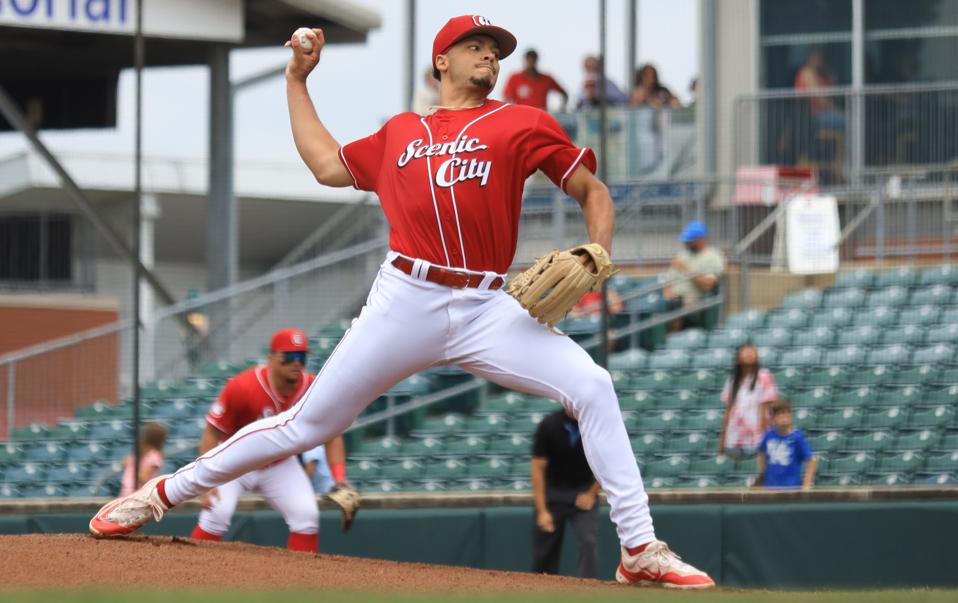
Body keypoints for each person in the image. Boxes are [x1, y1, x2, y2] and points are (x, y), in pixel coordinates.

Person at [90, 15, 714, 589]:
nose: (490, 58)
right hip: (405, 297)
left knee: (594, 385)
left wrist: (595, 252)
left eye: (496, 51)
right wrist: (296, 82)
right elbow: (328, 167)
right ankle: (162, 493)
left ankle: (639, 548)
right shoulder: (400, 132)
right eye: (476, 47)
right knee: (308, 424)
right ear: (441, 59)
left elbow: (591, 190)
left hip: (487, 307)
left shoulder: (521, 124)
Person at [186, 328, 348, 553]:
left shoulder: (312, 389)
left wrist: (339, 478)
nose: (296, 363)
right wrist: (206, 481)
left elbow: (333, 435)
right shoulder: (243, 386)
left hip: (279, 463)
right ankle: (192, 571)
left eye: (301, 357)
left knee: (306, 515)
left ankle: (299, 581)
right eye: (289, 357)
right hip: (236, 462)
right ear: (271, 358)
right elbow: (212, 432)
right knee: (216, 512)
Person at [531, 409, 601, 578]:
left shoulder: (595, 424)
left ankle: (589, 591)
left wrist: (591, 494)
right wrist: (542, 511)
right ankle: (540, 592)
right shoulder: (549, 425)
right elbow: (538, 468)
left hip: (583, 492)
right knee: (544, 551)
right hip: (554, 492)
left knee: (588, 542)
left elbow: (608, 462)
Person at [662, 220, 726, 331]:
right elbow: (668, 282)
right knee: (657, 306)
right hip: (674, 298)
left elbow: (708, 285)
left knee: (676, 306)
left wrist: (687, 270)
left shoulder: (713, 256)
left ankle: (672, 342)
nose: (686, 243)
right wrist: (666, 296)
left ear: (701, 239)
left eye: (690, 240)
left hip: (696, 300)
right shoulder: (682, 255)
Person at [719, 344, 777, 459]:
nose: (749, 353)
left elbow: (766, 408)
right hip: (733, 440)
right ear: (738, 357)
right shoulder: (732, 380)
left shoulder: (764, 376)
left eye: (752, 351)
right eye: (745, 351)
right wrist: (722, 440)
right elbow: (728, 411)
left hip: (756, 440)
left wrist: (765, 438)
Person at [755, 399, 817, 490]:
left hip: (791, 491)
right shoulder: (768, 436)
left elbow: (812, 460)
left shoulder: (797, 438)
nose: (785, 416)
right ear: (773, 418)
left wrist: (806, 485)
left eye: (788, 412)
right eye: (780, 413)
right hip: (769, 489)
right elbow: (762, 452)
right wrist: (761, 475)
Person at [794, 48, 845, 131]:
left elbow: (833, 94)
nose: (819, 61)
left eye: (820, 59)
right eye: (816, 58)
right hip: (815, 115)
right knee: (849, 120)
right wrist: (837, 111)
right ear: (810, 59)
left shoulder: (821, 74)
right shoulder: (807, 73)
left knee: (850, 118)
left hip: (825, 112)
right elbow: (821, 99)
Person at [503, 49, 568, 112]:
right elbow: (507, 98)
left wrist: (562, 109)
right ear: (525, 60)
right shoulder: (514, 78)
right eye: (529, 60)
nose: (531, 63)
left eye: (533, 60)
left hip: (540, 116)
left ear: (537, 60)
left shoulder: (547, 79)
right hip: (521, 116)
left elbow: (564, 94)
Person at [119, 422, 167, 496]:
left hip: (131, 493)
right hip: (135, 494)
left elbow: (144, 478)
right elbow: (143, 477)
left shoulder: (145, 454)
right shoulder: (153, 455)